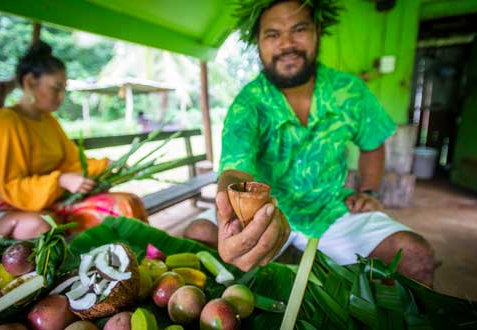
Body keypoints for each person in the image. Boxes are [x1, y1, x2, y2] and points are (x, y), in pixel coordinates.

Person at [185, 0, 434, 286]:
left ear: (317, 31)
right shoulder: (248, 104)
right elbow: (235, 172)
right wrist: (229, 214)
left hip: (330, 210)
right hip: (267, 211)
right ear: (258, 42)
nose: (287, 44)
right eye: (273, 34)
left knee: (415, 255)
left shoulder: (349, 92)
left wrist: (368, 190)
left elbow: (372, 144)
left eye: (299, 29)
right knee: (199, 234)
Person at [0, 41, 147, 234]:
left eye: (63, 90)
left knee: (128, 200)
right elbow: (11, 187)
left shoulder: (49, 121)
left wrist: (106, 165)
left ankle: (138, 262)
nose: (61, 97)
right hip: (23, 207)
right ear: (30, 82)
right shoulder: (4, 123)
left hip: (58, 200)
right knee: (116, 209)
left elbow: (72, 162)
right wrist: (59, 181)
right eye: (55, 88)